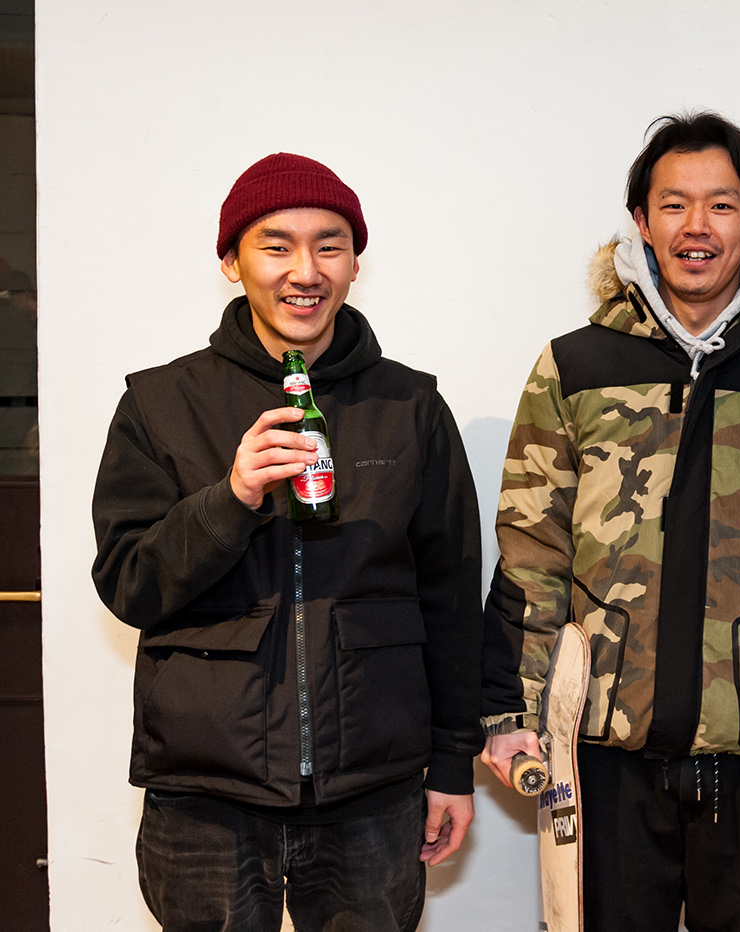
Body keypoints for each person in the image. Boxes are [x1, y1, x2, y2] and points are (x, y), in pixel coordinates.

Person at [479, 111, 740, 932]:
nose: (697, 226)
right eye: (674, 204)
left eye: (722, 205)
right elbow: (531, 554)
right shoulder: (576, 366)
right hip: (604, 748)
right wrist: (511, 713)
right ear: (641, 221)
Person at [91, 153, 483, 931]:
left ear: (355, 263)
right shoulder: (160, 404)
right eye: (276, 246)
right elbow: (130, 584)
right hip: (206, 794)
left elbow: (450, 600)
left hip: (372, 792)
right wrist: (230, 500)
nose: (306, 271)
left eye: (329, 245)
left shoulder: (410, 406)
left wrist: (452, 764)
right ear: (231, 262)